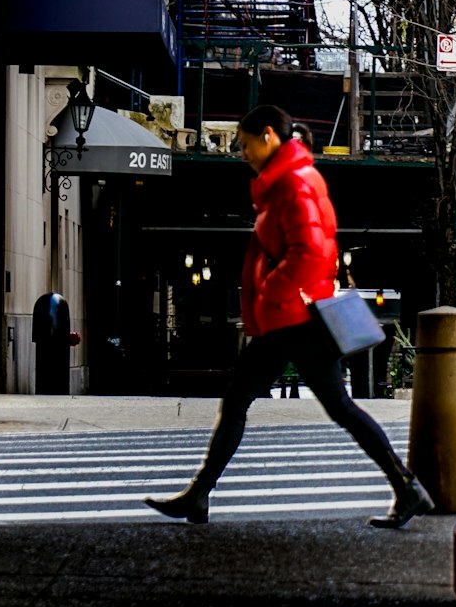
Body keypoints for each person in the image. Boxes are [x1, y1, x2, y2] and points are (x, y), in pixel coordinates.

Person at [145, 103, 434, 529]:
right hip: (295, 318)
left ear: (267, 137)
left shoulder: (295, 184)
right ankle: (406, 487)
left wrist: (270, 295)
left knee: (243, 401)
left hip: (292, 319)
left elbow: (313, 253)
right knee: (332, 407)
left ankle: (199, 495)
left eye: (245, 144)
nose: (241, 153)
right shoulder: (286, 182)